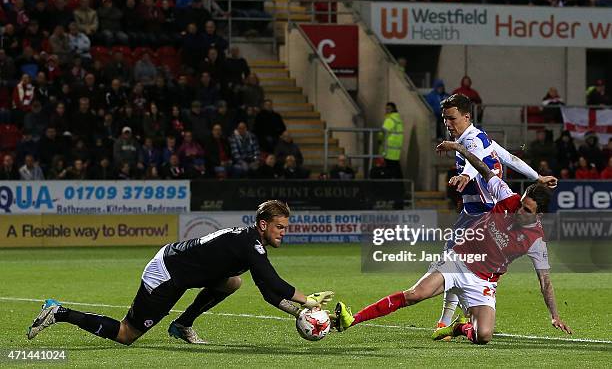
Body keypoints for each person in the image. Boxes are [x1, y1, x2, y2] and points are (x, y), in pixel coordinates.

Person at [334, 141, 572, 345]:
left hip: (483, 281)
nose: (519, 211)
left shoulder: (536, 242)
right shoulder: (507, 199)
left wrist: (555, 315)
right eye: (521, 204)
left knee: (484, 336)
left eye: (527, 210)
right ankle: (352, 319)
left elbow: (545, 282)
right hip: (458, 260)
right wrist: (459, 148)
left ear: (539, 215)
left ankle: (459, 327)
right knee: (415, 294)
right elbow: (484, 168)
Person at [27, 201, 334, 345]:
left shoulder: (250, 244)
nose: (283, 233)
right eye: (280, 227)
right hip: (166, 274)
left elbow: (269, 294)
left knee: (232, 283)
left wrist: (297, 313)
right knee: (126, 335)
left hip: (186, 272)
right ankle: (59, 312)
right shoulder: (248, 244)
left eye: (286, 228)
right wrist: (308, 303)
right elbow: (273, 282)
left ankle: (182, 324)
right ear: (264, 225)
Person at [435, 93, 556, 332]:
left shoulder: (473, 140)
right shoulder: (482, 136)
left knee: (451, 260)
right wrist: (538, 176)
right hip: (478, 211)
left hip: (480, 213)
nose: (448, 123)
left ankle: (449, 321)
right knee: (458, 262)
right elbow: (510, 158)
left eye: (452, 118)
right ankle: (458, 319)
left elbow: (476, 158)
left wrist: (465, 175)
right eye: (444, 118)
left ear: (466, 116)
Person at [378, 102, 403, 178]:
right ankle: (400, 187)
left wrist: (379, 139)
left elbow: (383, 132)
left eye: (388, 109)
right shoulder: (398, 119)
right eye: (386, 109)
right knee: (396, 170)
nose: (386, 110)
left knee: (388, 171)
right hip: (396, 151)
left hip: (388, 150)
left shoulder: (390, 119)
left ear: (393, 109)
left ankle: (390, 188)